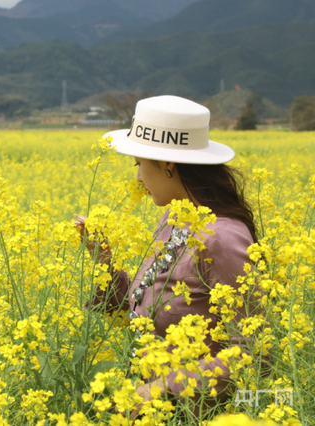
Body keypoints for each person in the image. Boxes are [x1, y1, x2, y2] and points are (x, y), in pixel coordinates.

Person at [75, 95, 260, 418]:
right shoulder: (174, 220)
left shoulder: (222, 239)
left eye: (138, 165)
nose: (137, 179)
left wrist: (164, 387)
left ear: (168, 164)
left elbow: (255, 353)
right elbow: (143, 310)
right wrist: (104, 262)